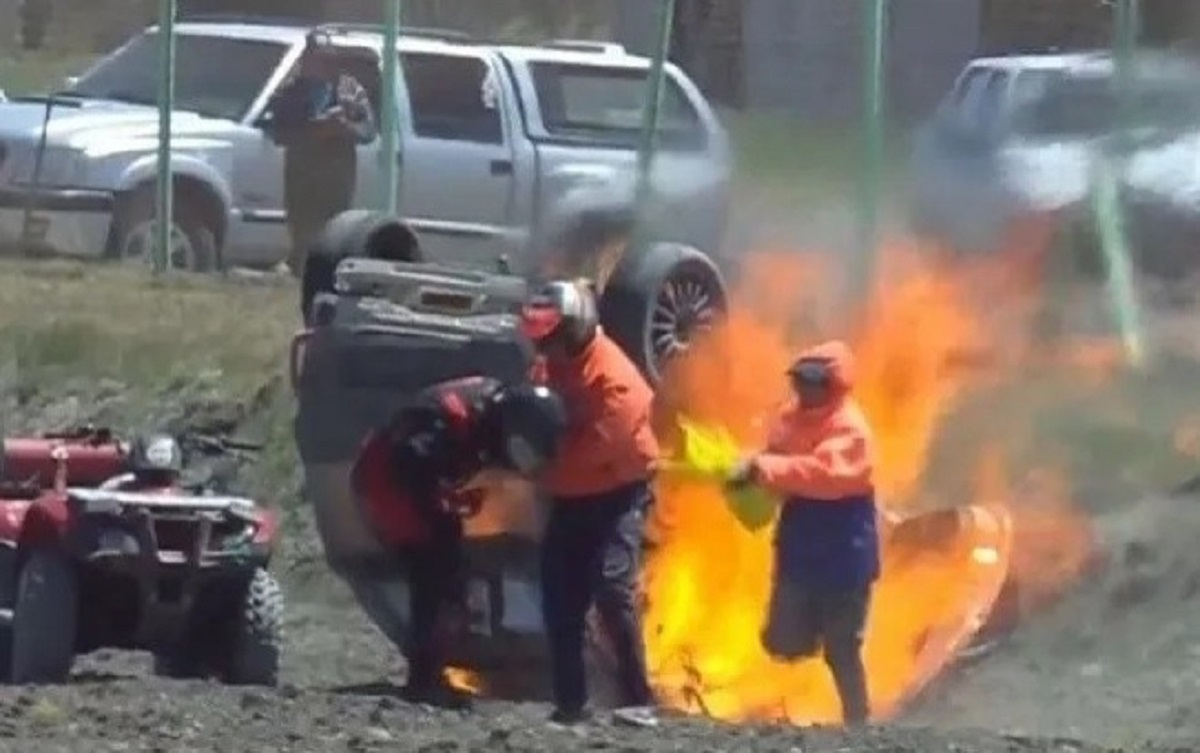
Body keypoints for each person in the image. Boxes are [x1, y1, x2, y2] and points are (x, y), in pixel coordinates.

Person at [353, 376, 567, 707]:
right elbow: (409, 463)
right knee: (434, 578)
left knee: (444, 572)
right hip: (388, 489)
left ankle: (430, 670)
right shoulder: (452, 422)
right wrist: (441, 498)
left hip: (398, 483)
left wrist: (448, 496)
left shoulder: (481, 415)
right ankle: (424, 680)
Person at [519, 280, 660, 728]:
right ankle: (570, 704)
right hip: (570, 496)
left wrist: (535, 469)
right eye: (540, 339)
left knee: (611, 587)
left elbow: (594, 452)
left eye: (552, 339)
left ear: (577, 330)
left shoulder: (616, 382)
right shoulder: (550, 365)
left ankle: (639, 700)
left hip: (617, 493)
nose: (546, 349)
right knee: (559, 596)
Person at [727, 340, 879, 727]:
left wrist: (765, 468)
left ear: (835, 384)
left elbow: (825, 475)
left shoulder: (851, 429)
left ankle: (858, 724)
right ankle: (780, 699)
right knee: (782, 641)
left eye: (814, 382)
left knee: (842, 648)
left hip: (844, 547)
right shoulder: (790, 417)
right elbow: (774, 456)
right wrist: (744, 472)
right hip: (800, 542)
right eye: (799, 381)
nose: (804, 390)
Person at [266, 30, 377, 276]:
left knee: (335, 229)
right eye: (316, 59)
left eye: (327, 59)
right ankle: (298, 271)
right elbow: (278, 132)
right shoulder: (291, 89)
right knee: (303, 229)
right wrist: (311, 131)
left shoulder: (350, 89)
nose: (322, 65)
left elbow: (368, 131)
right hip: (303, 173)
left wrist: (343, 127)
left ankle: (327, 273)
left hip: (336, 176)